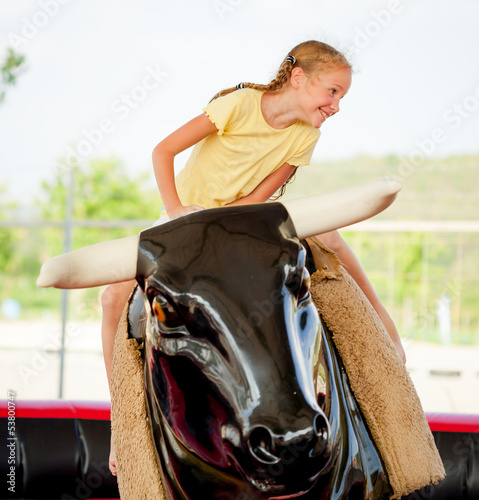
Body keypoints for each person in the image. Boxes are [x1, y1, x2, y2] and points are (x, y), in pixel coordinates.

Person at [102, 39, 406, 476]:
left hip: (241, 219)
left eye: (342, 96)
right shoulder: (240, 105)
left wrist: (226, 229)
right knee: (112, 298)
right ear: (299, 79)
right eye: (333, 92)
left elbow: (256, 198)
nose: (337, 106)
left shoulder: (306, 135)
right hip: (182, 216)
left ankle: (384, 328)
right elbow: (163, 151)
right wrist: (175, 211)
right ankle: (121, 423)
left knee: (331, 238)